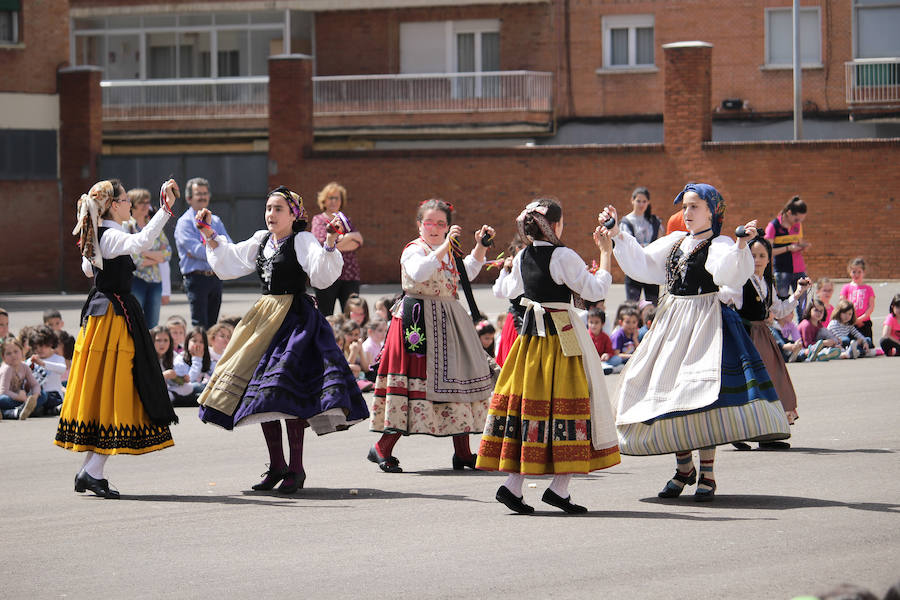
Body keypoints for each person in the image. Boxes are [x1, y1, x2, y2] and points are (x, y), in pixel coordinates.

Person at [600, 183, 791, 501]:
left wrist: (741, 246)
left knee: (699, 396)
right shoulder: (676, 241)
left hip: (706, 324)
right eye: (685, 207)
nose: (686, 213)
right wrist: (618, 233)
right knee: (667, 393)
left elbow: (727, 273)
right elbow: (644, 265)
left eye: (694, 207)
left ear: (713, 211)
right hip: (673, 322)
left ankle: (708, 474)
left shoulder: (721, 243)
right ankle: (684, 467)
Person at [196, 186, 369, 493]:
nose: (271, 214)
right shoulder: (261, 240)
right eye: (268, 208)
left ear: (294, 214)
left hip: (295, 319)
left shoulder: (301, 240)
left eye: (278, 209)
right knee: (264, 394)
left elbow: (321, 275)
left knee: (285, 393)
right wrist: (210, 234)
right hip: (263, 319)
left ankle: (296, 468)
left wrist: (329, 242)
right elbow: (230, 261)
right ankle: (277, 465)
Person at [476, 198, 620, 514]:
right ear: (555, 225)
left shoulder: (523, 254)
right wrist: (606, 254)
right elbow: (595, 291)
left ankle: (514, 486)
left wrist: (508, 268)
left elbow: (504, 292)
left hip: (529, 342)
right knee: (570, 407)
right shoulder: (563, 255)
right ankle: (558, 488)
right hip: (562, 336)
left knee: (530, 409)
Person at [55, 179, 180, 499]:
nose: (129, 204)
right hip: (113, 318)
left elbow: (87, 270)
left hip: (104, 315)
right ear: (112, 205)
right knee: (118, 389)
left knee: (109, 390)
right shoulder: (110, 235)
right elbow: (141, 241)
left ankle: (90, 471)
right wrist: (166, 210)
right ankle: (92, 471)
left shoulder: (101, 235)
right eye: (124, 200)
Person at [369, 199, 495, 473]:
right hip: (419, 323)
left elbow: (467, 272)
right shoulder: (414, 250)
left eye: (441, 223)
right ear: (419, 225)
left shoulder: (446, 250)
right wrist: (445, 247)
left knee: (458, 381)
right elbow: (419, 271)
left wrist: (480, 247)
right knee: (417, 387)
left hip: (448, 319)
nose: (436, 228)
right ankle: (382, 447)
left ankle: (463, 452)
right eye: (430, 223)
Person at [724, 235, 806, 438]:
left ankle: (769, 430)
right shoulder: (741, 282)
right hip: (746, 337)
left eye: (762, 255)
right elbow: (724, 296)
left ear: (769, 259)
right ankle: (743, 431)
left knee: (774, 377)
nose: (758, 260)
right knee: (750, 383)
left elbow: (778, 310)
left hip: (764, 337)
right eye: (753, 256)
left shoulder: (767, 284)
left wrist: (798, 293)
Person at [175, 177, 231, 328]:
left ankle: (210, 352)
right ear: (189, 198)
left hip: (216, 277)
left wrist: (208, 247)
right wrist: (216, 247)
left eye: (205, 193)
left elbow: (229, 245)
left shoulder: (216, 221)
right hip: (196, 279)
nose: (202, 197)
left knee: (213, 327)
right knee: (200, 326)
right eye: (198, 193)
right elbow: (195, 250)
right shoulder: (184, 223)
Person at [310, 182, 364, 315]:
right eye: (330, 198)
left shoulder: (345, 220)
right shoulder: (319, 220)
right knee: (325, 315)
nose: (334, 201)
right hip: (327, 274)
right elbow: (322, 244)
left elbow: (358, 242)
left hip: (349, 274)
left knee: (352, 316)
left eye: (337, 198)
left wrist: (335, 242)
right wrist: (349, 237)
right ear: (324, 200)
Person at [125, 187, 172, 328]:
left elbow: (168, 253)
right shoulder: (126, 227)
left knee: (153, 325)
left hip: (155, 282)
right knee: (135, 323)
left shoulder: (153, 226)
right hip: (136, 281)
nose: (147, 206)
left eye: (148, 202)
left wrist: (144, 252)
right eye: (142, 202)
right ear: (132, 204)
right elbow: (134, 260)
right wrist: (157, 256)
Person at [764, 196, 810, 312]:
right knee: (782, 306)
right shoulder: (773, 226)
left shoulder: (797, 226)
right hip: (782, 271)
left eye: (800, 220)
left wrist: (803, 247)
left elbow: (798, 243)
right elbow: (767, 251)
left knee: (802, 307)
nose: (798, 223)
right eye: (796, 220)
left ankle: (801, 330)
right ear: (789, 213)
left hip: (799, 270)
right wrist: (788, 248)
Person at [619, 187, 662, 303]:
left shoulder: (654, 221)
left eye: (644, 201)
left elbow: (660, 241)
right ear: (632, 201)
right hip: (634, 269)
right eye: (638, 201)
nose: (641, 204)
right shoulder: (626, 222)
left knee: (652, 306)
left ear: (648, 203)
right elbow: (625, 245)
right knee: (632, 306)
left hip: (650, 268)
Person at [492, 234, 528, 367]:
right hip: (516, 319)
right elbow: (499, 292)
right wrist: (505, 271)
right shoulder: (512, 269)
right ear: (518, 249)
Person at [27, 326, 66, 416]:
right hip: (37, 395)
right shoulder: (31, 360)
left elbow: (62, 369)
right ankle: (38, 410)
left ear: (51, 343)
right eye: (36, 347)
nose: (39, 350)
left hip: (53, 395)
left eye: (42, 346)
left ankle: (45, 409)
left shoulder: (58, 358)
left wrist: (42, 363)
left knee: (44, 396)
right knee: (37, 396)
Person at [0, 338, 39, 420]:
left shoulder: (24, 367)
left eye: (16, 351)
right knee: (3, 400)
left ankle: (19, 410)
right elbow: (3, 391)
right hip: (9, 397)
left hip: (20, 398)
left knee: (43, 395)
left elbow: (35, 384)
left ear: (22, 352)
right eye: (9, 354)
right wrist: (19, 397)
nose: (13, 355)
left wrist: (34, 397)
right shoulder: (7, 369)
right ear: (3, 357)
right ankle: (15, 412)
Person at [840, 257, 876, 341]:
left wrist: (860, 319)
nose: (856, 274)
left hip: (864, 323)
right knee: (850, 343)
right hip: (849, 322)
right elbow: (842, 304)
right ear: (850, 272)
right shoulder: (846, 287)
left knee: (867, 343)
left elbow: (871, 307)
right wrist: (852, 319)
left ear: (864, 272)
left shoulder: (868, 288)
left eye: (859, 272)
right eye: (854, 272)